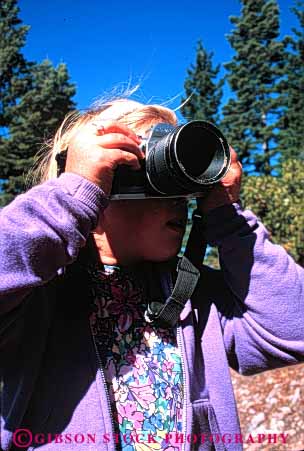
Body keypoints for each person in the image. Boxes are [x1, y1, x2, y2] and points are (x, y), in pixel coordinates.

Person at [0, 97, 304, 451]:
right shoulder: (39, 296)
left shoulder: (194, 296)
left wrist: (228, 218)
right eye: (149, 171)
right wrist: (71, 198)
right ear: (99, 182)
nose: (178, 198)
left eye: (180, 181)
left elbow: (294, 327)